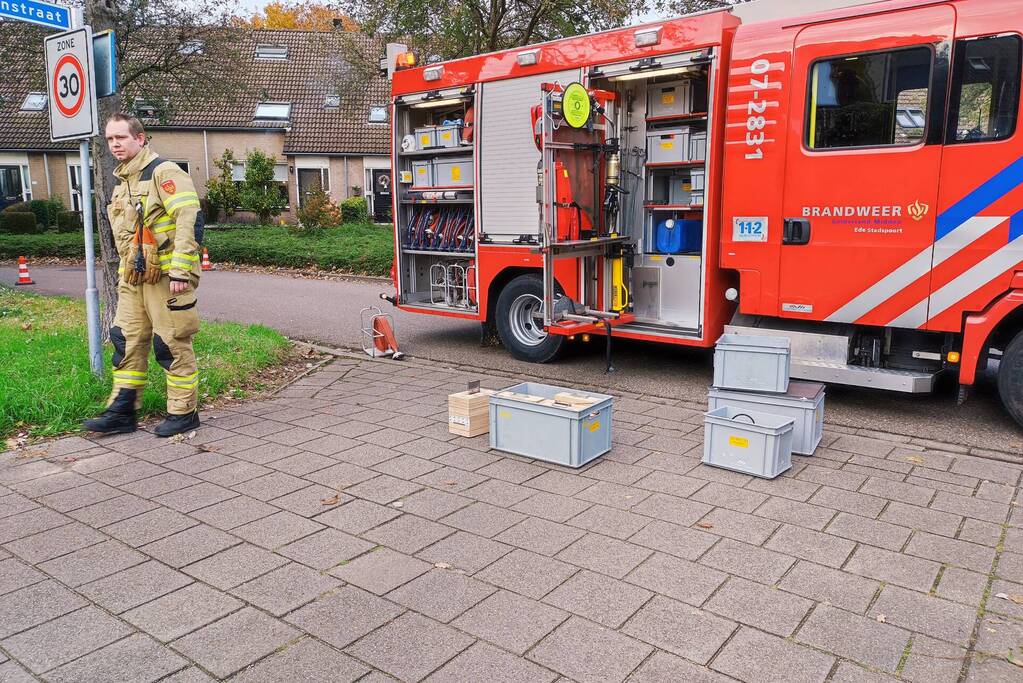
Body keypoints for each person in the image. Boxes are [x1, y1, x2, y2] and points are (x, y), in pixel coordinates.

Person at [82, 113, 204, 437]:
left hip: (167, 277)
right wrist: (124, 277)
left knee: (171, 344)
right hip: (134, 280)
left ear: (140, 137)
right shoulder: (123, 184)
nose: (115, 144)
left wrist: (180, 269)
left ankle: (183, 412)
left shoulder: (163, 172)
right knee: (126, 342)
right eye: (110, 139)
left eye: (121, 137)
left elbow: (189, 219)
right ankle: (123, 411)